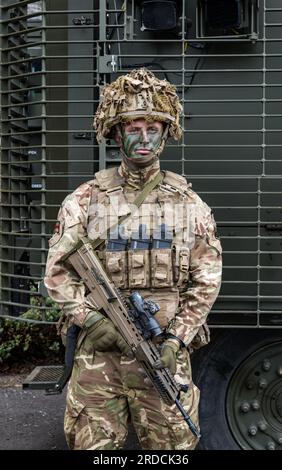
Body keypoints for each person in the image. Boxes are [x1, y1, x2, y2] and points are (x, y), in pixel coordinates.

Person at [44, 68, 222, 450]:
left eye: (153, 128)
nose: (143, 138)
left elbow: (206, 281)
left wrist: (176, 339)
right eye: (133, 128)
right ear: (115, 133)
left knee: (173, 450)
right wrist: (90, 319)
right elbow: (57, 273)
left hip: (162, 354)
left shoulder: (189, 205)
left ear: (165, 134)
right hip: (97, 358)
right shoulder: (86, 200)